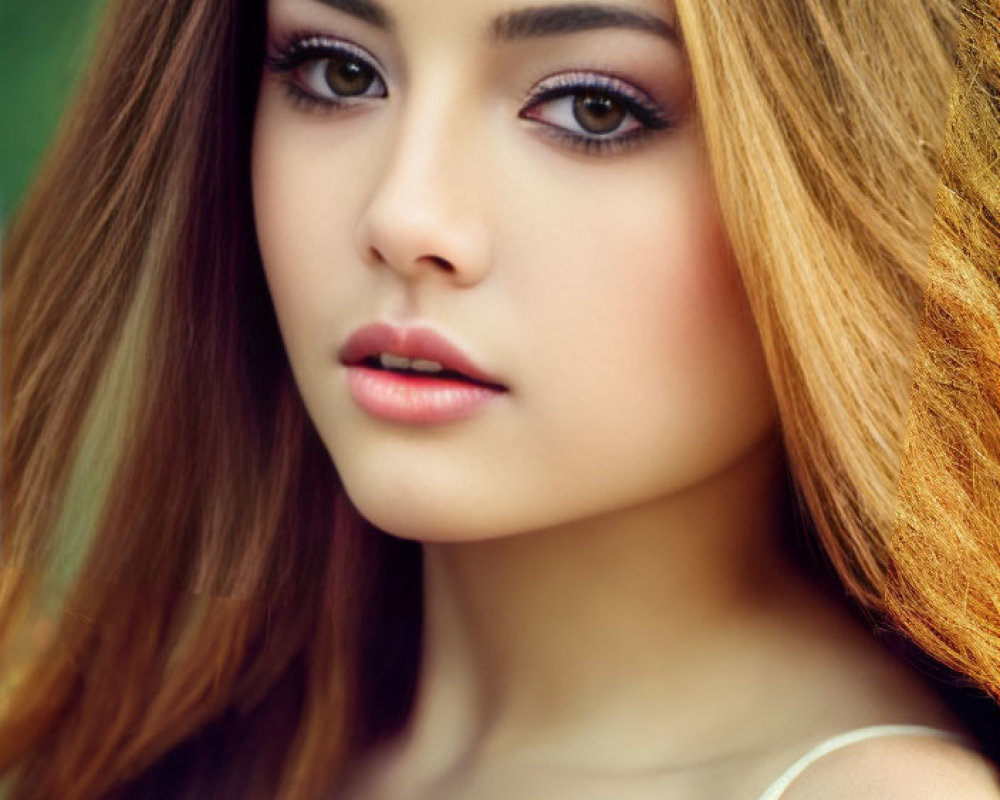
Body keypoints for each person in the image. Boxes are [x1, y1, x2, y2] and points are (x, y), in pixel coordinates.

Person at [0, 0, 998, 798]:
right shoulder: (164, 742)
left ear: (869, 164)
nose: (403, 215)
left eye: (592, 107)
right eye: (339, 70)